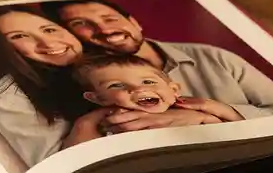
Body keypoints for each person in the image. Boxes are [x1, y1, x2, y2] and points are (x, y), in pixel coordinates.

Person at [45, 0, 273, 139]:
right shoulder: (79, 85)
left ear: (135, 23)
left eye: (110, 18)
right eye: (83, 24)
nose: (104, 29)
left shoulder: (213, 57)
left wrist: (215, 114)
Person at [0, 6, 104, 168]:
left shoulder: (115, 57)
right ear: (3, 48)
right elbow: (55, 169)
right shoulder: (9, 98)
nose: (47, 42)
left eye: (50, 30)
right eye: (19, 36)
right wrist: (87, 123)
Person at [72, 54, 242, 134]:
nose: (138, 89)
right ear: (98, 98)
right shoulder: (103, 122)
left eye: (148, 82)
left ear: (174, 90)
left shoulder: (202, 110)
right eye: (117, 85)